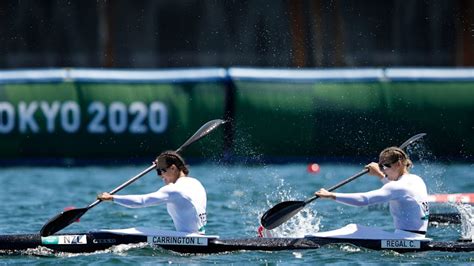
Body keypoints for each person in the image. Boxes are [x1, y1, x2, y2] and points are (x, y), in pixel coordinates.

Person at [314, 147, 429, 237]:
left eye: (384, 166)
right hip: (416, 237)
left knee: (353, 229)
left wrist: (331, 195)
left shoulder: (397, 187)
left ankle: (312, 237)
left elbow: (364, 200)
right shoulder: (417, 180)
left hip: (403, 238)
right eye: (380, 166)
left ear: (398, 164)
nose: (382, 170)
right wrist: (380, 175)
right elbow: (397, 191)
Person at [97, 151, 207, 234]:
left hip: (186, 241)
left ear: (173, 168)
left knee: (138, 230)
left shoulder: (173, 190)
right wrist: (162, 162)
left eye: (161, 171)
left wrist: (112, 198)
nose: (160, 176)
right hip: (199, 237)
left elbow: (141, 201)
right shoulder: (196, 183)